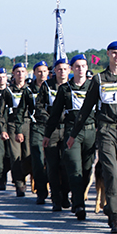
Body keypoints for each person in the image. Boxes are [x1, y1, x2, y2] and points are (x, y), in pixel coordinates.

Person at [66, 42, 117, 233]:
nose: (116, 56)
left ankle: (112, 206)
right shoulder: (99, 79)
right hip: (106, 131)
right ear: (108, 54)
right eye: (113, 53)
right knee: (110, 173)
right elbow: (86, 109)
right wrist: (73, 134)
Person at [45, 55, 96, 215]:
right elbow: (55, 113)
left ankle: (77, 196)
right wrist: (47, 134)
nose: (80, 69)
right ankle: (79, 204)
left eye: (83, 66)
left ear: (87, 68)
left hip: (90, 131)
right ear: (72, 69)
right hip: (72, 132)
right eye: (77, 66)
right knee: (74, 168)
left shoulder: (94, 87)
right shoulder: (65, 89)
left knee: (87, 170)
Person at [15, 61, 51, 201]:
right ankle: (41, 192)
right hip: (37, 127)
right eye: (39, 71)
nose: (42, 74)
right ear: (34, 73)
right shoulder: (29, 91)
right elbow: (20, 111)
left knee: (54, 161)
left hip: (53, 128)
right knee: (38, 160)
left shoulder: (54, 87)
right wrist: (18, 130)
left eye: (44, 71)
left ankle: (56, 190)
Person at [40, 58, 71, 206]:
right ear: (54, 71)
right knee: (52, 165)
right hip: (52, 129)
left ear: (69, 70)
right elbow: (39, 106)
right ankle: (55, 198)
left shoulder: (72, 86)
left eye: (65, 69)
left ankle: (65, 194)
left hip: (67, 128)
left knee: (66, 164)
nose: (62, 72)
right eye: (59, 69)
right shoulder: (47, 86)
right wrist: (49, 119)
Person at [6, 63, 32, 196]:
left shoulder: (30, 89)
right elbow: (2, 111)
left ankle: (24, 176)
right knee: (16, 155)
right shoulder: (8, 90)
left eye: (23, 71)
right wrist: (3, 128)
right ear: (14, 74)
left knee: (28, 155)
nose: (20, 74)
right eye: (18, 72)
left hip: (28, 123)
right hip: (13, 123)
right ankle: (19, 183)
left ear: (26, 74)